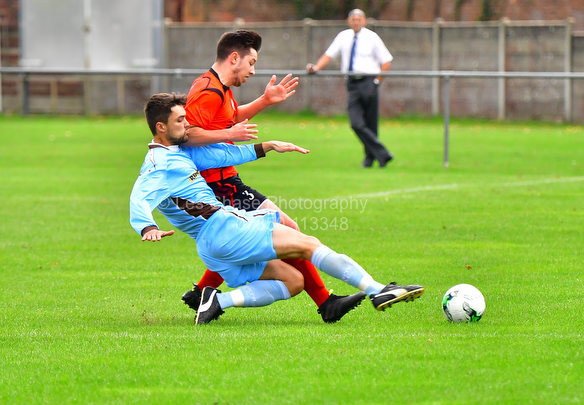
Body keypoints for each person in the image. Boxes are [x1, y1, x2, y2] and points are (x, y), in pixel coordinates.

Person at [129, 93, 425, 325]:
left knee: (293, 281)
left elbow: (221, 155)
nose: (188, 125)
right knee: (307, 244)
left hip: (212, 246)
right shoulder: (159, 164)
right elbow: (139, 196)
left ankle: (217, 301)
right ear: (161, 127)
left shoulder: (178, 153)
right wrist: (147, 226)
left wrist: (267, 146)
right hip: (224, 229)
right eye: (181, 120)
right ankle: (377, 290)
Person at [180, 29, 366, 323]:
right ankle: (326, 303)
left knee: (252, 238)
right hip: (215, 186)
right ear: (234, 58)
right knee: (286, 229)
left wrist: (265, 100)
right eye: (251, 62)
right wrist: (229, 135)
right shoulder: (208, 90)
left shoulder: (220, 89)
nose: (253, 71)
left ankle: (202, 292)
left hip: (226, 181)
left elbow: (229, 118)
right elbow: (187, 135)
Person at [306, 9, 394, 168]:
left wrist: (376, 82)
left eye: (359, 19)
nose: (356, 22)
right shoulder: (343, 36)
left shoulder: (372, 37)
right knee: (356, 123)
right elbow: (329, 54)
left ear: (364, 21)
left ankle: (370, 159)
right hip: (352, 83)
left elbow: (386, 62)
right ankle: (383, 153)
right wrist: (316, 67)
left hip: (369, 81)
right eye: (353, 19)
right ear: (348, 21)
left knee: (371, 123)